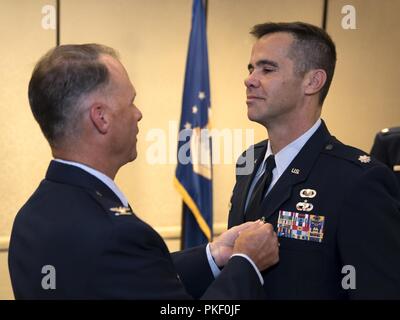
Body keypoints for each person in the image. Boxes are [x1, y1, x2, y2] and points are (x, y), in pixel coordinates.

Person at [8, 44, 280, 299]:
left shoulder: (30, 218)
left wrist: (214, 255)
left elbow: (128, 279)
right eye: (131, 102)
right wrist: (246, 263)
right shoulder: (115, 232)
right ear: (101, 117)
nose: (138, 114)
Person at [228, 22, 400, 299]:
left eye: (267, 69)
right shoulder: (249, 162)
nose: (249, 79)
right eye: (251, 69)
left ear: (312, 81)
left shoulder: (357, 179)